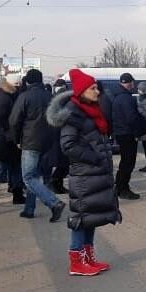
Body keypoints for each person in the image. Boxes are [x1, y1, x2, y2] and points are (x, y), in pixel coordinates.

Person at [47, 68, 122, 277]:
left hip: (95, 173)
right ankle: (76, 260)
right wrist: (94, 157)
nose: (97, 91)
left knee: (92, 215)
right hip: (84, 174)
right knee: (81, 217)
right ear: (82, 91)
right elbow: (68, 145)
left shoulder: (90, 110)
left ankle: (88, 257)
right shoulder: (73, 113)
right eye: (93, 88)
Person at [10, 68, 66, 222]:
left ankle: (54, 203)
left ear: (27, 81)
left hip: (30, 141)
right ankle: (29, 209)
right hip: (47, 142)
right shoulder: (50, 97)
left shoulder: (24, 97)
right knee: (35, 177)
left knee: (28, 177)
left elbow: (14, 120)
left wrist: (16, 140)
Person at [0, 75, 25, 206]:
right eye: (17, 84)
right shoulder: (5, 97)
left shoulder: (7, 95)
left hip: (7, 137)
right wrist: (9, 131)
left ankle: (17, 194)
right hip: (6, 138)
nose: (18, 86)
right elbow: (0, 117)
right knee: (4, 167)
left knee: (14, 166)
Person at [110, 72, 146, 200]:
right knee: (128, 162)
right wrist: (138, 131)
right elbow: (131, 118)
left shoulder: (117, 96)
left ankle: (119, 187)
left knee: (125, 161)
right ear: (130, 82)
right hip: (127, 133)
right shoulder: (125, 98)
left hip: (121, 132)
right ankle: (123, 189)